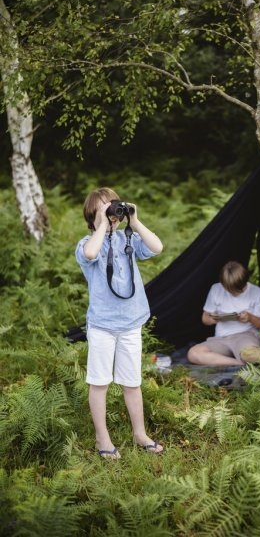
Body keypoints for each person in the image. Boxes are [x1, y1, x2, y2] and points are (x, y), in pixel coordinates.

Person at [75, 187, 164, 458]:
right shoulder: (87, 243)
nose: (112, 211)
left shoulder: (129, 238)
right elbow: (91, 254)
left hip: (130, 322)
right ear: (92, 214)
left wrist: (134, 220)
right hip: (102, 324)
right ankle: (103, 439)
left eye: (113, 206)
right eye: (104, 208)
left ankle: (140, 433)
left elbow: (157, 247)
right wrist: (102, 224)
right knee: (99, 382)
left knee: (131, 382)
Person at [187, 261, 260, 366]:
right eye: (229, 289)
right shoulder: (216, 289)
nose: (233, 293)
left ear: (244, 282)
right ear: (223, 284)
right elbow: (205, 319)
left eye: (237, 290)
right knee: (193, 353)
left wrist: (251, 318)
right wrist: (214, 319)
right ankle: (238, 363)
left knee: (250, 355)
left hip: (246, 336)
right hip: (221, 338)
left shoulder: (257, 293)